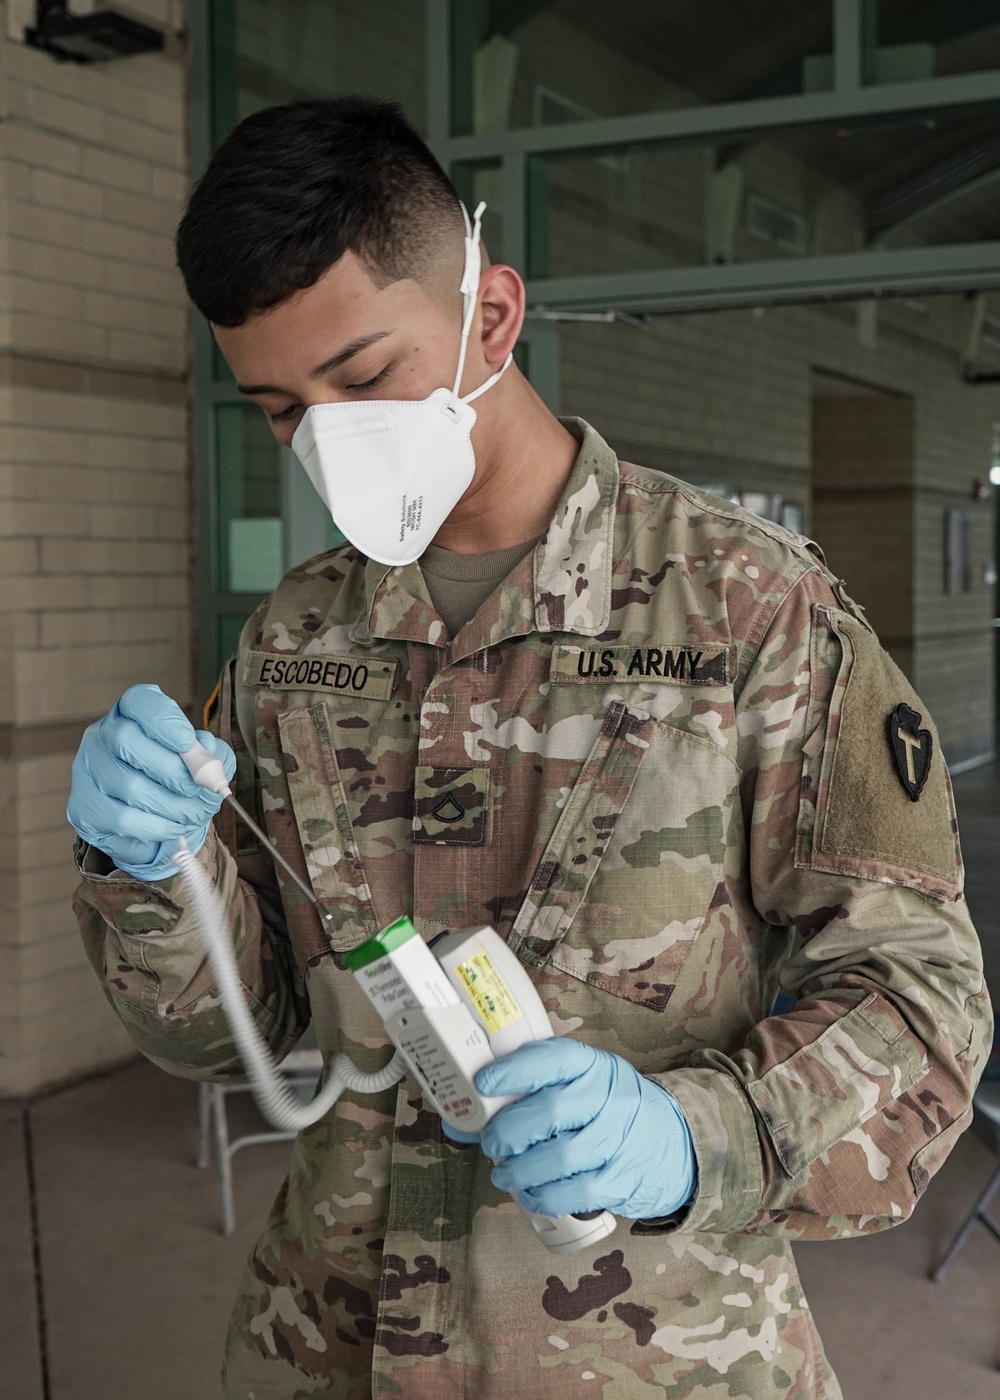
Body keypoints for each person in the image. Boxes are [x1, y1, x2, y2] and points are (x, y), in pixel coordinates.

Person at [68, 97, 991, 1400]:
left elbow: (925, 1011)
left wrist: (689, 1136)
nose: (328, 441)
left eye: (364, 377)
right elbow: (234, 1029)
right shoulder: (296, 636)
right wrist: (143, 869)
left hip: (648, 1357)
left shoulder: (748, 610)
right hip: (329, 1350)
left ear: (491, 317)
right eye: (279, 409)